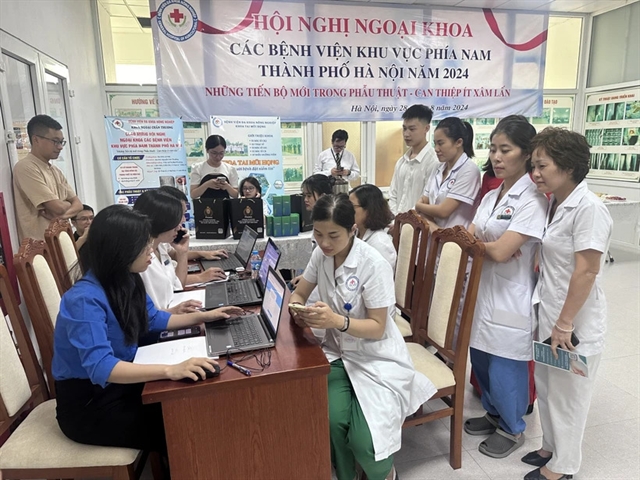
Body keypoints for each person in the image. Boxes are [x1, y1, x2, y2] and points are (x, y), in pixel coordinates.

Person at [52, 205, 241, 454]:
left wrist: (204, 317)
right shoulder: (83, 300)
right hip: (92, 404)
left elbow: (153, 319)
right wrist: (170, 370)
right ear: (119, 250)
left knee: (199, 404)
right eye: (144, 246)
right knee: (189, 427)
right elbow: (102, 367)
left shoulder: (127, 278)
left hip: (124, 383)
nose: (151, 252)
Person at [290, 194, 436, 480]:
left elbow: (378, 326)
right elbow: (299, 292)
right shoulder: (321, 254)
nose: (325, 243)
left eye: (333, 235)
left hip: (377, 356)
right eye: (318, 234)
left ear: (352, 230)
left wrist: (336, 321)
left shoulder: (373, 264)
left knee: (365, 441)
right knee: (331, 420)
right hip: (338, 353)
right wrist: (298, 310)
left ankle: (385, 474)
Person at [523, 128, 612, 480]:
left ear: (569, 166)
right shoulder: (555, 203)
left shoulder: (589, 209)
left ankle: (563, 467)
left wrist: (565, 323)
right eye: (533, 165)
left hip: (574, 323)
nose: (535, 173)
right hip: (551, 311)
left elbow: (587, 271)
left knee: (569, 394)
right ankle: (549, 446)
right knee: (547, 385)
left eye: (542, 165)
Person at [463, 115, 548, 459]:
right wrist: (485, 248)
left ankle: (513, 428)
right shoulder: (492, 194)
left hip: (512, 296)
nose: (497, 157)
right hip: (482, 290)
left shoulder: (533, 200)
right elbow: (468, 237)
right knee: (480, 358)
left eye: (505, 150)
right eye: (493, 149)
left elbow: (496, 250)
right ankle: (494, 412)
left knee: (505, 365)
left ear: (526, 153)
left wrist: (483, 247)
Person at [133, 190, 226, 313]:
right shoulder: (140, 261)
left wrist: (182, 252)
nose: (180, 225)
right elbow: (146, 316)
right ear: (162, 222)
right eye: (177, 219)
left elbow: (177, 286)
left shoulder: (160, 247)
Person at [12, 114, 83, 241]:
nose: (60, 147)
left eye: (61, 142)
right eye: (55, 141)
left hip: (61, 241)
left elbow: (78, 205)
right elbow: (58, 207)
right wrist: (67, 205)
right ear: (36, 140)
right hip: (40, 249)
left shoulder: (56, 171)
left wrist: (62, 216)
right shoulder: (26, 167)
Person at [415, 117, 481, 230]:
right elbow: (425, 199)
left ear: (458, 142)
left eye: (441, 143)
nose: (436, 149)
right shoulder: (438, 167)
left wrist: (418, 206)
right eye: (435, 143)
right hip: (432, 235)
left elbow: (443, 211)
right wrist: (425, 212)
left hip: (455, 240)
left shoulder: (469, 170)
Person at [388, 104, 439, 216]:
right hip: (395, 224)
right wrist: (395, 218)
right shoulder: (402, 161)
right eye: (404, 128)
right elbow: (393, 194)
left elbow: (426, 200)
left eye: (412, 129)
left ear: (426, 128)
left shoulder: (434, 162)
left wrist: (405, 221)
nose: (406, 134)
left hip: (418, 227)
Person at [158, 185, 229, 263]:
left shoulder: (161, 241)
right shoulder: (149, 251)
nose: (184, 220)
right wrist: (199, 276)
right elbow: (175, 275)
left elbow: (174, 254)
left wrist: (203, 254)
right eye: (181, 214)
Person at [349, 184, 396, 270]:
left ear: (369, 209)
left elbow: (381, 279)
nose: (347, 211)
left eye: (352, 207)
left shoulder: (380, 244)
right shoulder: (356, 232)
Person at [189, 135, 239, 199]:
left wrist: (227, 186)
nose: (218, 157)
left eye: (221, 153)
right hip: (204, 206)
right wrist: (207, 185)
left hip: (226, 206)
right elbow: (193, 195)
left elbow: (236, 195)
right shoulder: (198, 168)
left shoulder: (230, 169)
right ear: (207, 150)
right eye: (214, 153)